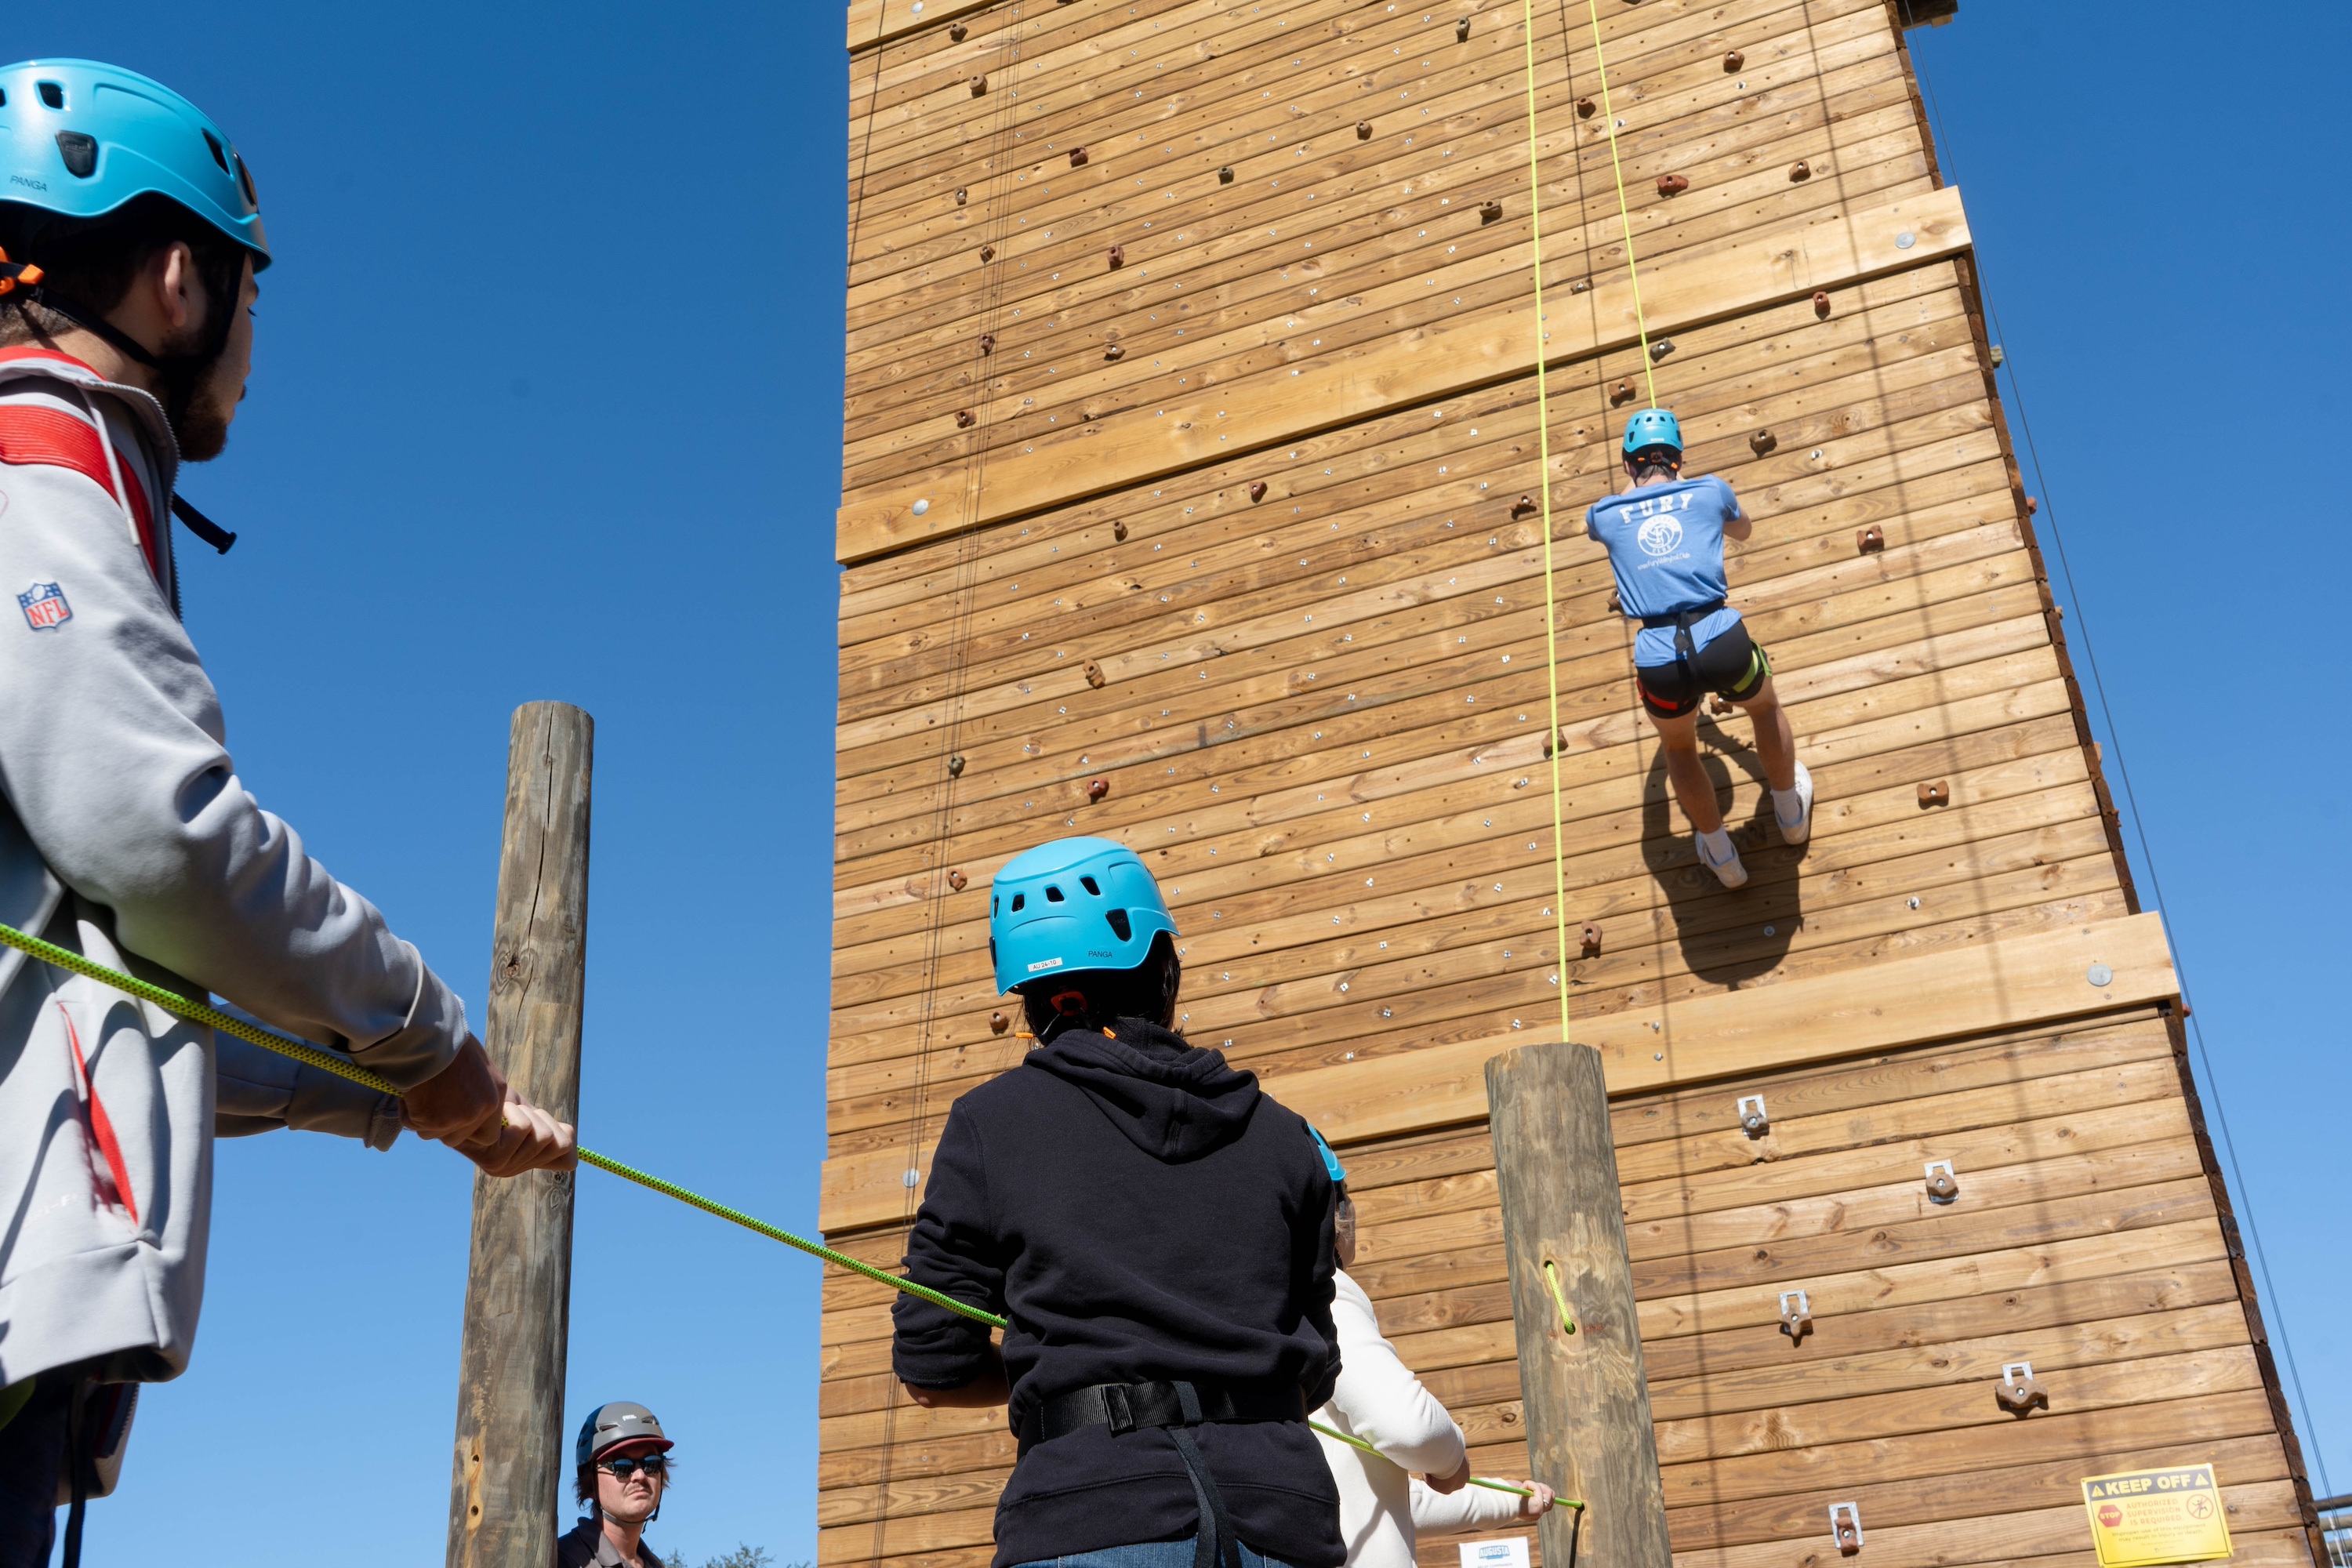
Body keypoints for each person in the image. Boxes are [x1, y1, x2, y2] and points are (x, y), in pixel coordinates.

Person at [0, 58, 574, 1563]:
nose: (257, 344)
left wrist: (394, 1098)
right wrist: (427, 1036)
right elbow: (165, 844)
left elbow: (101, 989)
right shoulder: (33, 467)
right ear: (181, 278)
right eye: (258, 294)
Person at [891, 836, 1345, 1568]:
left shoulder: (992, 1124)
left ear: (1037, 1001)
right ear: (1164, 968)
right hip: (1280, 1515)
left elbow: (932, 1366)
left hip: (1091, 1514)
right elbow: (1317, 1368)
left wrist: (1082, 1371)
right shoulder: (1286, 1137)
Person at [1585, 408, 1813, 889]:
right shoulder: (1709, 491)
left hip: (1659, 658)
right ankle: (1791, 816)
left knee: (1679, 746)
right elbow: (1743, 529)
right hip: (1721, 640)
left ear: (1627, 465)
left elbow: (1619, 512)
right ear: (1679, 459)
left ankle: (1720, 855)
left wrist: (1644, 488)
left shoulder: (1604, 514)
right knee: (1764, 708)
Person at [1305, 1138, 1553, 1568]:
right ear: (1335, 1215)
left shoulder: (1257, 1320)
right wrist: (1450, 1458)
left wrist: (1511, 1501)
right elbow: (1410, 1428)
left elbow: (1392, 1500)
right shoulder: (1323, 1298)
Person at [561, 1403, 677, 1568]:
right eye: (622, 1467)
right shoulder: (562, 1559)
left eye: (651, 1464)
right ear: (590, 1484)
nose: (640, 1475)